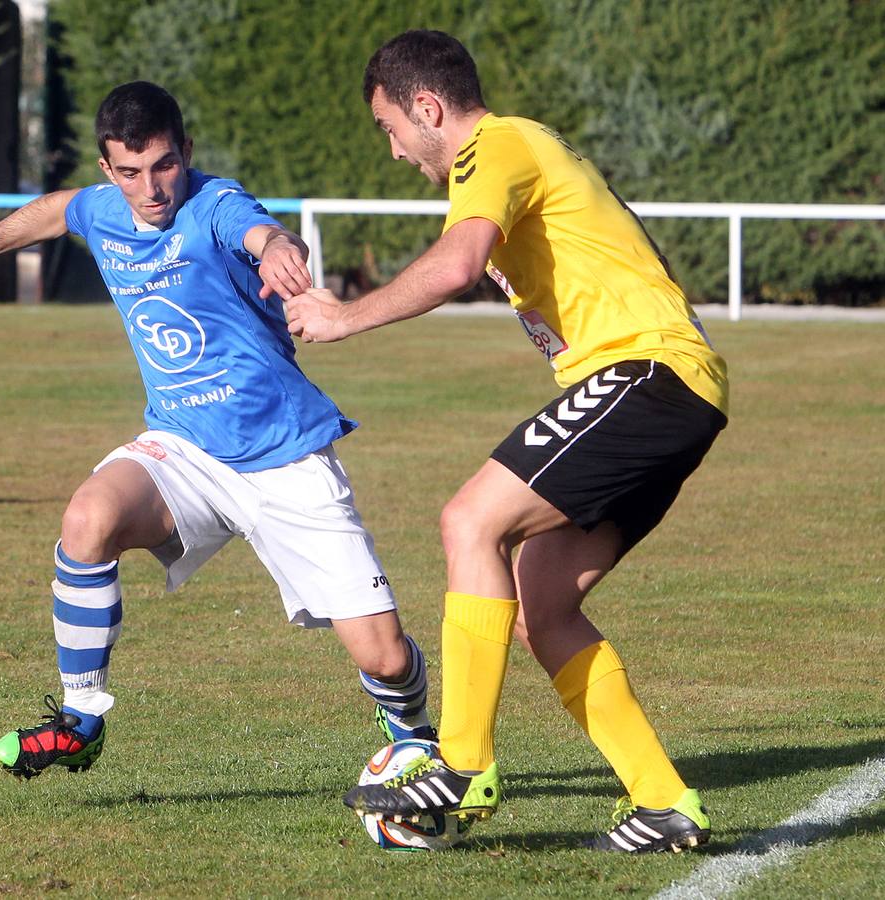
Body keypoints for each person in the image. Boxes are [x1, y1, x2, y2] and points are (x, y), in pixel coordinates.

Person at [0, 80, 434, 781]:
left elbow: (261, 230)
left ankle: (415, 736)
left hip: (281, 453)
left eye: (164, 165)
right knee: (87, 517)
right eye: (129, 171)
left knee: (382, 656)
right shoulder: (103, 208)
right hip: (182, 446)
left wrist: (274, 249)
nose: (151, 188)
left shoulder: (213, 205)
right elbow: (58, 210)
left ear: (187, 152)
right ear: (108, 171)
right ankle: (81, 719)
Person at [285, 31, 728, 854]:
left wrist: (343, 314)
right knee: (541, 607)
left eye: (388, 128)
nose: (391, 151)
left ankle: (461, 764)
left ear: (428, 108)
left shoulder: (491, 146)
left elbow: (456, 266)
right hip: (671, 388)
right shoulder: (519, 147)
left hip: (650, 374)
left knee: (468, 522)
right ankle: (667, 805)